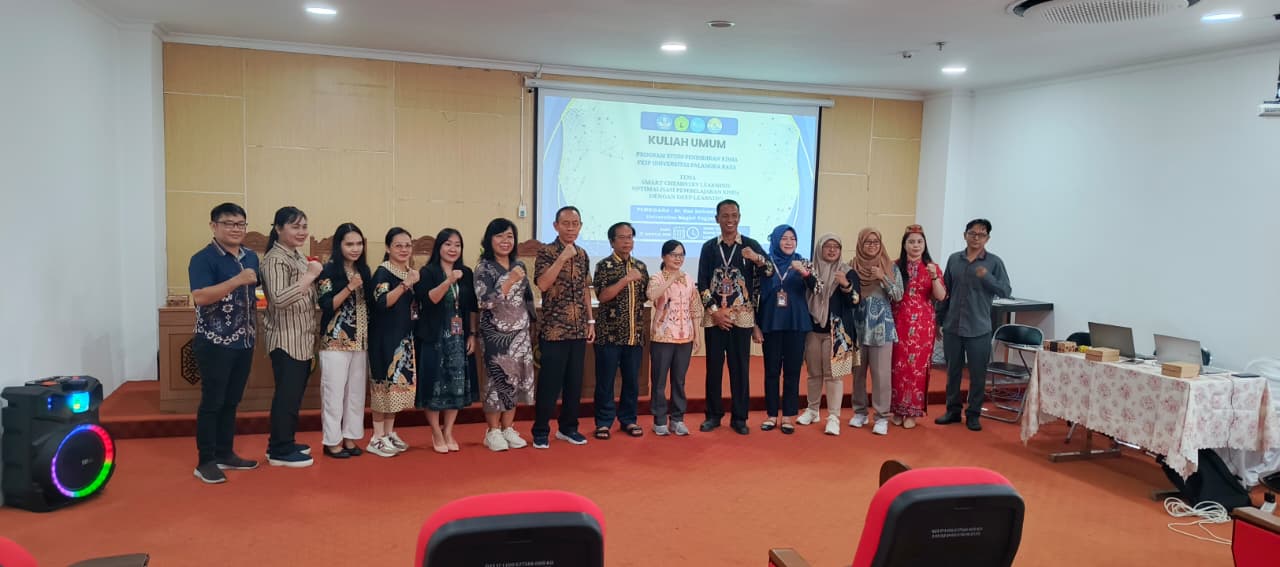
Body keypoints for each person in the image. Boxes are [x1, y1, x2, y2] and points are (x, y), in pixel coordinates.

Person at [188, 203, 261, 484]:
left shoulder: (250, 256)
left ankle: (225, 453)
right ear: (214, 226)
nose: (235, 229)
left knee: (231, 401)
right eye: (229, 223)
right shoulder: (203, 258)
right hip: (214, 341)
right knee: (213, 402)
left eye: (240, 224)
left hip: (244, 340)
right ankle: (205, 461)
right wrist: (237, 280)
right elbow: (200, 297)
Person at [697, 199, 773, 435]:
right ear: (717, 219)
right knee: (714, 368)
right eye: (725, 216)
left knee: (740, 368)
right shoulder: (709, 247)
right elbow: (702, 283)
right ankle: (713, 415)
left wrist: (757, 258)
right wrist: (715, 312)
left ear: (739, 218)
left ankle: (740, 417)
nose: (730, 220)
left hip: (742, 316)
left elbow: (770, 271)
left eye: (734, 215)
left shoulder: (750, 245)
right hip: (715, 316)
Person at [935, 219, 1012, 432]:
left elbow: (1005, 291)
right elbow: (945, 291)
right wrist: (938, 320)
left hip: (979, 328)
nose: (976, 237)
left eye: (981, 234)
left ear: (987, 238)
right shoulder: (954, 259)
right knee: (953, 372)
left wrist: (987, 277)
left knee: (978, 374)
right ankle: (952, 410)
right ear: (965, 235)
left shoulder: (994, 263)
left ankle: (973, 413)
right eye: (972, 233)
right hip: (953, 325)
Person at [261, 206, 322, 468]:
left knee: (293, 396)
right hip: (286, 339)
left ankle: (284, 440)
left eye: (304, 227)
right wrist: (310, 276)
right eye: (295, 226)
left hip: (302, 337)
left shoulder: (296, 255)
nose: (302, 232)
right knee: (286, 396)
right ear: (278, 229)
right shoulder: (275, 259)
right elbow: (278, 298)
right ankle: (279, 450)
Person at [532, 206, 595, 449]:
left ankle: (568, 428)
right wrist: (562, 258)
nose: (571, 228)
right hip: (554, 330)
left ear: (580, 226)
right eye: (566, 223)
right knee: (549, 383)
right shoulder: (546, 252)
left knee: (574, 383)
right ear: (556, 226)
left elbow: (585, 289)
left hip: (578, 329)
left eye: (575, 224)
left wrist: (590, 321)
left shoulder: (583, 254)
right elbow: (543, 284)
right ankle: (540, 430)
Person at [414, 228, 479, 454]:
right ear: (439, 247)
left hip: (459, 336)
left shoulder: (466, 272)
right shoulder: (428, 272)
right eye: (448, 244)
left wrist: (472, 334)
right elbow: (430, 299)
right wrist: (449, 280)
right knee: (434, 384)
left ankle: (449, 430)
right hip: (434, 336)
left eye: (457, 245)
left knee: (456, 384)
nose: (453, 249)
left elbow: (471, 306)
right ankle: (436, 431)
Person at [474, 218, 536, 452]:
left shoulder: (519, 264)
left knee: (516, 378)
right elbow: (485, 301)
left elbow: (527, 296)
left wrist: (531, 323)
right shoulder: (484, 268)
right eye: (499, 236)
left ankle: (508, 427)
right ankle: (493, 431)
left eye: (509, 236)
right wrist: (509, 281)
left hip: (520, 332)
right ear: (489, 240)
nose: (505, 241)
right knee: (497, 379)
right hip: (495, 333)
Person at [315, 222, 372, 459]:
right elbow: (326, 305)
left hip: (360, 342)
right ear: (339, 245)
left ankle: (350, 437)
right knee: (333, 394)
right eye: (349, 244)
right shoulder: (328, 270)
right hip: (334, 342)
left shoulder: (364, 270)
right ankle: (332, 441)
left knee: (355, 395)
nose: (355, 248)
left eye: (359, 244)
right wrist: (350, 287)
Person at [591, 222, 649, 439]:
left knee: (632, 381)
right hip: (609, 335)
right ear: (612, 241)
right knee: (605, 381)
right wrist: (625, 279)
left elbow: (646, 296)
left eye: (630, 237)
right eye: (622, 237)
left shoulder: (641, 266)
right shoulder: (603, 266)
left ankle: (629, 419)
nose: (627, 241)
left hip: (634, 334)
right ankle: (603, 422)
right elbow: (602, 296)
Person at [798, 233, 860, 436]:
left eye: (836, 247)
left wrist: (846, 285)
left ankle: (833, 417)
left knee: (834, 376)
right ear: (820, 249)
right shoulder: (809, 271)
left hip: (837, 333)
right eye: (828, 246)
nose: (832, 250)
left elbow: (855, 301)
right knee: (814, 373)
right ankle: (812, 410)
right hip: (812, 330)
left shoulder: (847, 271)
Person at [366, 227, 419, 457]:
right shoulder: (383, 272)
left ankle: (388, 433)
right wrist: (406, 284)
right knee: (382, 387)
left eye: (408, 245)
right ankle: (376, 437)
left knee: (395, 389)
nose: (404, 249)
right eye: (398, 245)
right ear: (388, 248)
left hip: (403, 338)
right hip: (383, 339)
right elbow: (382, 302)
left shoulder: (408, 271)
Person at [755, 225, 811, 435]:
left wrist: (804, 273)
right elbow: (754, 293)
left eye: (792, 238)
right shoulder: (765, 264)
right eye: (784, 238)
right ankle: (771, 414)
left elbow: (818, 288)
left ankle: (787, 415)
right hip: (771, 323)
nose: (789, 242)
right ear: (776, 240)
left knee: (792, 372)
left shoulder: (803, 262)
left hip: (796, 324)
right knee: (771, 371)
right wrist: (755, 325)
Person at [890, 225, 947, 429]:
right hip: (898, 321)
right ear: (904, 245)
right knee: (897, 366)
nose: (915, 245)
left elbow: (941, 296)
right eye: (911, 241)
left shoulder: (932, 267)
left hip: (923, 325)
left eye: (919, 242)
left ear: (924, 245)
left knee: (916, 368)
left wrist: (934, 277)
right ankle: (897, 409)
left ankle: (912, 411)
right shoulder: (894, 266)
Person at [849, 228, 903, 436]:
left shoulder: (890, 266)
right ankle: (860, 412)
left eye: (876, 242)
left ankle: (881, 417)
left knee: (881, 375)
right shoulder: (852, 265)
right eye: (867, 242)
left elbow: (898, 295)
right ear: (860, 244)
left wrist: (883, 278)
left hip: (882, 327)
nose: (872, 246)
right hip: (858, 326)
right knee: (858, 373)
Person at [647, 240, 702, 436]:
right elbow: (652, 295)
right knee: (659, 381)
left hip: (685, 336)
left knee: (679, 381)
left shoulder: (688, 278)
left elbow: (694, 307)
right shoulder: (656, 277)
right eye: (673, 255)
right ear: (664, 256)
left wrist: (696, 334)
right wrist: (671, 279)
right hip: (662, 336)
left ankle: (677, 419)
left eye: (681, 255)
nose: (678, 259)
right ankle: (659, 420)